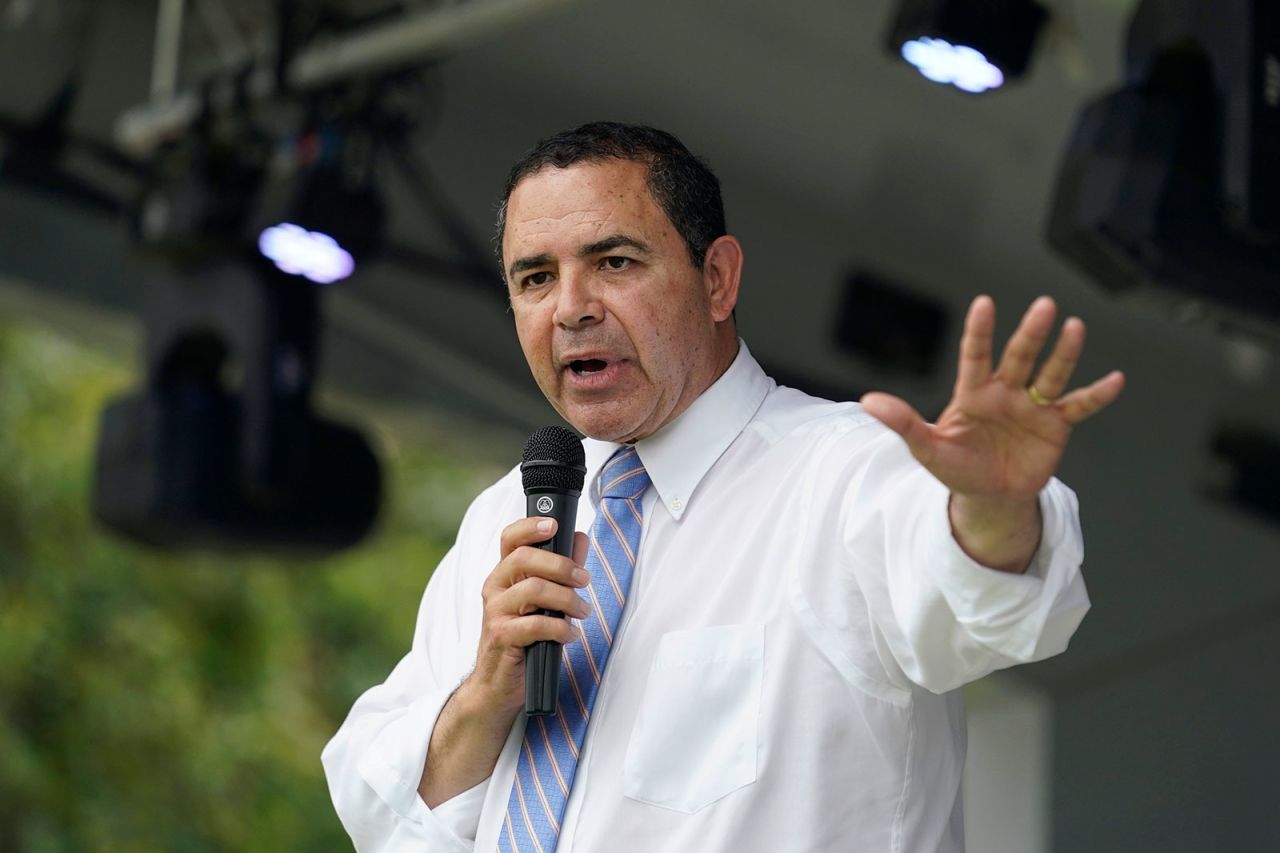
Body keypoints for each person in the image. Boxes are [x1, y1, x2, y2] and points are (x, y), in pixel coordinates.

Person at [322, 122, 1125, 852]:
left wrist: (990, 506)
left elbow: (982, 605)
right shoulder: (512, 511)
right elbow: (384, 811)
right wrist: (488, 693)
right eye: (534, 278)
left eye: (613, 262)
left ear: (717, 278)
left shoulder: (842, 470)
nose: (570, 309)